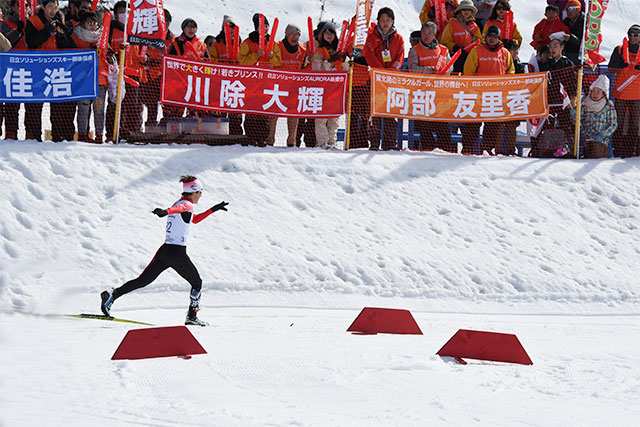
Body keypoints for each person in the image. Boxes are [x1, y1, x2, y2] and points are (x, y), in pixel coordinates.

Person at [100, 176, 229, 327]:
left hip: (165, 251)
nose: (201, 195)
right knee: (197, 283)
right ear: (194, 192)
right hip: (177, 253)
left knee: (143, 280)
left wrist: (213, 209)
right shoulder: (186, 205)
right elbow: (180, 210)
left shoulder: (180, 202)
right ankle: (192, 317)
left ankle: (113, 295)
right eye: (200, 192)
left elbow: (194, 220)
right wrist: (166, 212)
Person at [26, 0, 76, 142]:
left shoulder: (59, 20)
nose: (53, 10)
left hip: (56, 69)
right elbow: (31, 42)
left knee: (58, 106)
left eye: (55, 7)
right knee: (35, 106)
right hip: (37, 68)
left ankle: (58, 137)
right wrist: (46, 31)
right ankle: (34, 136)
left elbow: (68, 46)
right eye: (50, 7)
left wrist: (61, 37)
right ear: (42, 7)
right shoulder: (33, 21)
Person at [463, 24, 515, 155]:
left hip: (496, 96)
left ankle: (486, 150)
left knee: (493, 126)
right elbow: (468, 72)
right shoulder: (477, 50)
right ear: (485, 36)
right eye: (490, 36)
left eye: (495, 36)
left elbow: (511, 72)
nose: (492, 38)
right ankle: (467, 150)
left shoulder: (505, 53)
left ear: (499, 38)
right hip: (477, 95)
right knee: (472, 124)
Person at [407, 21, 455, 152]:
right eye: (423, 33)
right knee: (424, 125)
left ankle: (446, 151)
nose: (426, 36)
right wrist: (428, 70)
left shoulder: (443, 50)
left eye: (429, 33)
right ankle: (427, 150)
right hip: (422, 95)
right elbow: (412, 68)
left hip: (440, 94)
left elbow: (450, 66)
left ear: (434, 34)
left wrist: (444, 70)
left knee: (442, 126)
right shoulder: (414, 50)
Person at [363, 7, 405, 150]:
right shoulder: (372, 37)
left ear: (393, 21)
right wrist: (380, 71)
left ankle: (389, 143)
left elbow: (400, 55)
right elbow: (369, 55)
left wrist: (391, 72)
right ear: (378, 22)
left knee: (390, 112)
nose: (385, 23)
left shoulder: (398, 38)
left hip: (391, 81)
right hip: (375, 79)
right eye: (382, 20)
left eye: (388, 20)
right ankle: (374, 142)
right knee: (374, 112)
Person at [238, 13, 282, 146]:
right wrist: (255, 55)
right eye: (261, 27)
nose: (265, 29)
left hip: (267, 84)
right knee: (251, 111)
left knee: (264, 111)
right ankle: (250, 137)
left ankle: (263, 137)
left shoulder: (273, 43)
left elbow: (278, 62)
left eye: (266, 26)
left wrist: (271, 56)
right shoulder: (248, 42)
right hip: (251, 83)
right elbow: (241, 60)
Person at [531, 34, 577, 157]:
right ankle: (544, 149)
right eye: (550, 46)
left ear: (562, 47)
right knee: (546, 126)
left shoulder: (567, 63)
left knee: (565, 126)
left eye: (555, 46)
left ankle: (567, 150)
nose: (552, 49)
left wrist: (573, 98)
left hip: (563, 102)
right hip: (548, 101)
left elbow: (572, 83)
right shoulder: (545, 64)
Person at [311, 22, 348, 149]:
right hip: (322, 88)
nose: (329, 35)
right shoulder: (319, 51)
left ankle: (332, 142)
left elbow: (348, 68)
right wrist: (329, 62)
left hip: (336, 89)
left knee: (334, 118)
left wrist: (343, 60)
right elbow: (316, 69)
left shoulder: (339, 51)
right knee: (321, 117)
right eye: (326, 32)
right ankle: (322, 142)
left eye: (331, 33)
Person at [270, 24, 307, 147]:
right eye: (292, 34)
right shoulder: (277, 46)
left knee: (293, 116)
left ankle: (292, 142)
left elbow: (304, 68)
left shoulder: (302, 49)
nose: (295, 37)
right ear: (286, 34)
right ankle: (270, 140)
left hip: (294, 88)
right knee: (273, 115)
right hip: (277, 87)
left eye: (297, 35)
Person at [608, 24, 640, 157]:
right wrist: (620, 65)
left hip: (637, 94)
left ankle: (634, 150)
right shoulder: (620, 50)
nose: (632, 37)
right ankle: (618, 149)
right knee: (618, 122)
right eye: (630, 34)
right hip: (621, 93)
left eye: (635, 35)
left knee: (635, 123)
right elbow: (611, 68)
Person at [0, 0, 29, 141]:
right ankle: (8, 132)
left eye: (26, 5)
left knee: (25, 105)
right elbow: (6, 44)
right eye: (20, 5)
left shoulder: (32, 22)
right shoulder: (6, 23)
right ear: (13, 7)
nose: (23, 8)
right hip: (8, 68)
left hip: (27, 68)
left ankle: (21, 133)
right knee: (7, 103)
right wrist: (18, 31)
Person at [142, 9, 174, 131]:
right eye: (161, 20)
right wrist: (152, 61)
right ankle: (150, 128)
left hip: (168, 78)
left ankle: (167, 127)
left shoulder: (173, 39)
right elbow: (144, 54)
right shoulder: (149, 36)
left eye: (166, 21)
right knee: (151, 104)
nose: (164, 23)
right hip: (152, 76)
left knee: (168, 104)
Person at [572, 74, 617, 157]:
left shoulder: (608, 107)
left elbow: (613, 125)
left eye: (598, 91)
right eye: (593, 91)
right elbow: (579, 123)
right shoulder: (585, 105)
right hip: (586, 140)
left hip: (601, 142)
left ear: (604, 94)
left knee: (596, 153)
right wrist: (575, 116)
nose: (595, 94)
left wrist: (602, 135)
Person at [441, 0, 482, 74]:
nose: (466, 12)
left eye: (469, 10)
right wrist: (454, 47)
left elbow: (479, 40)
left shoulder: (474, 26)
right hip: (456, 56)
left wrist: (472, 49)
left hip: (470, 56)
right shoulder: (452, 24)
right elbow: (445, 41)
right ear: (460, 11)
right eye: (464, 9)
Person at [561, 0, 584, 65]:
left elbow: (585, 42)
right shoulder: (566, 21)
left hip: (579, 53)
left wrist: (571, 38)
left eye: (571, 9)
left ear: (578, 9)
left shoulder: (584, 22)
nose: (569, 12)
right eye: (567, 9)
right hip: (566, 51)